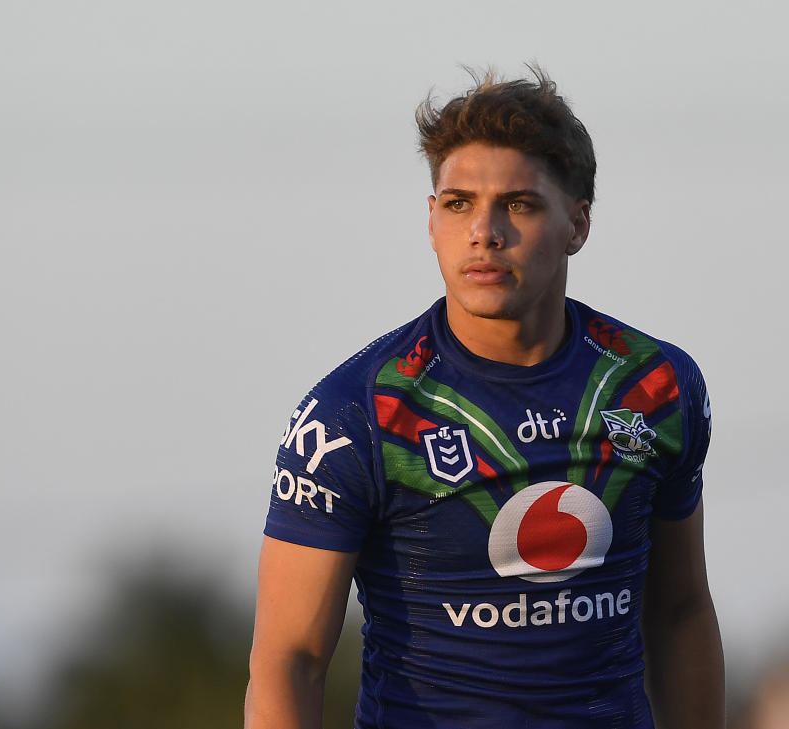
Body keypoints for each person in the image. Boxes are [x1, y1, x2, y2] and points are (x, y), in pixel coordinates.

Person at [244, 68, 724, 729]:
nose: (484, 232)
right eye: (459, 202)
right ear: (431, 218)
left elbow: (680, 610)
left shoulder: (655, 385)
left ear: (577, 224)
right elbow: (288, 659)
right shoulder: (355, 414)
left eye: (519, 204)